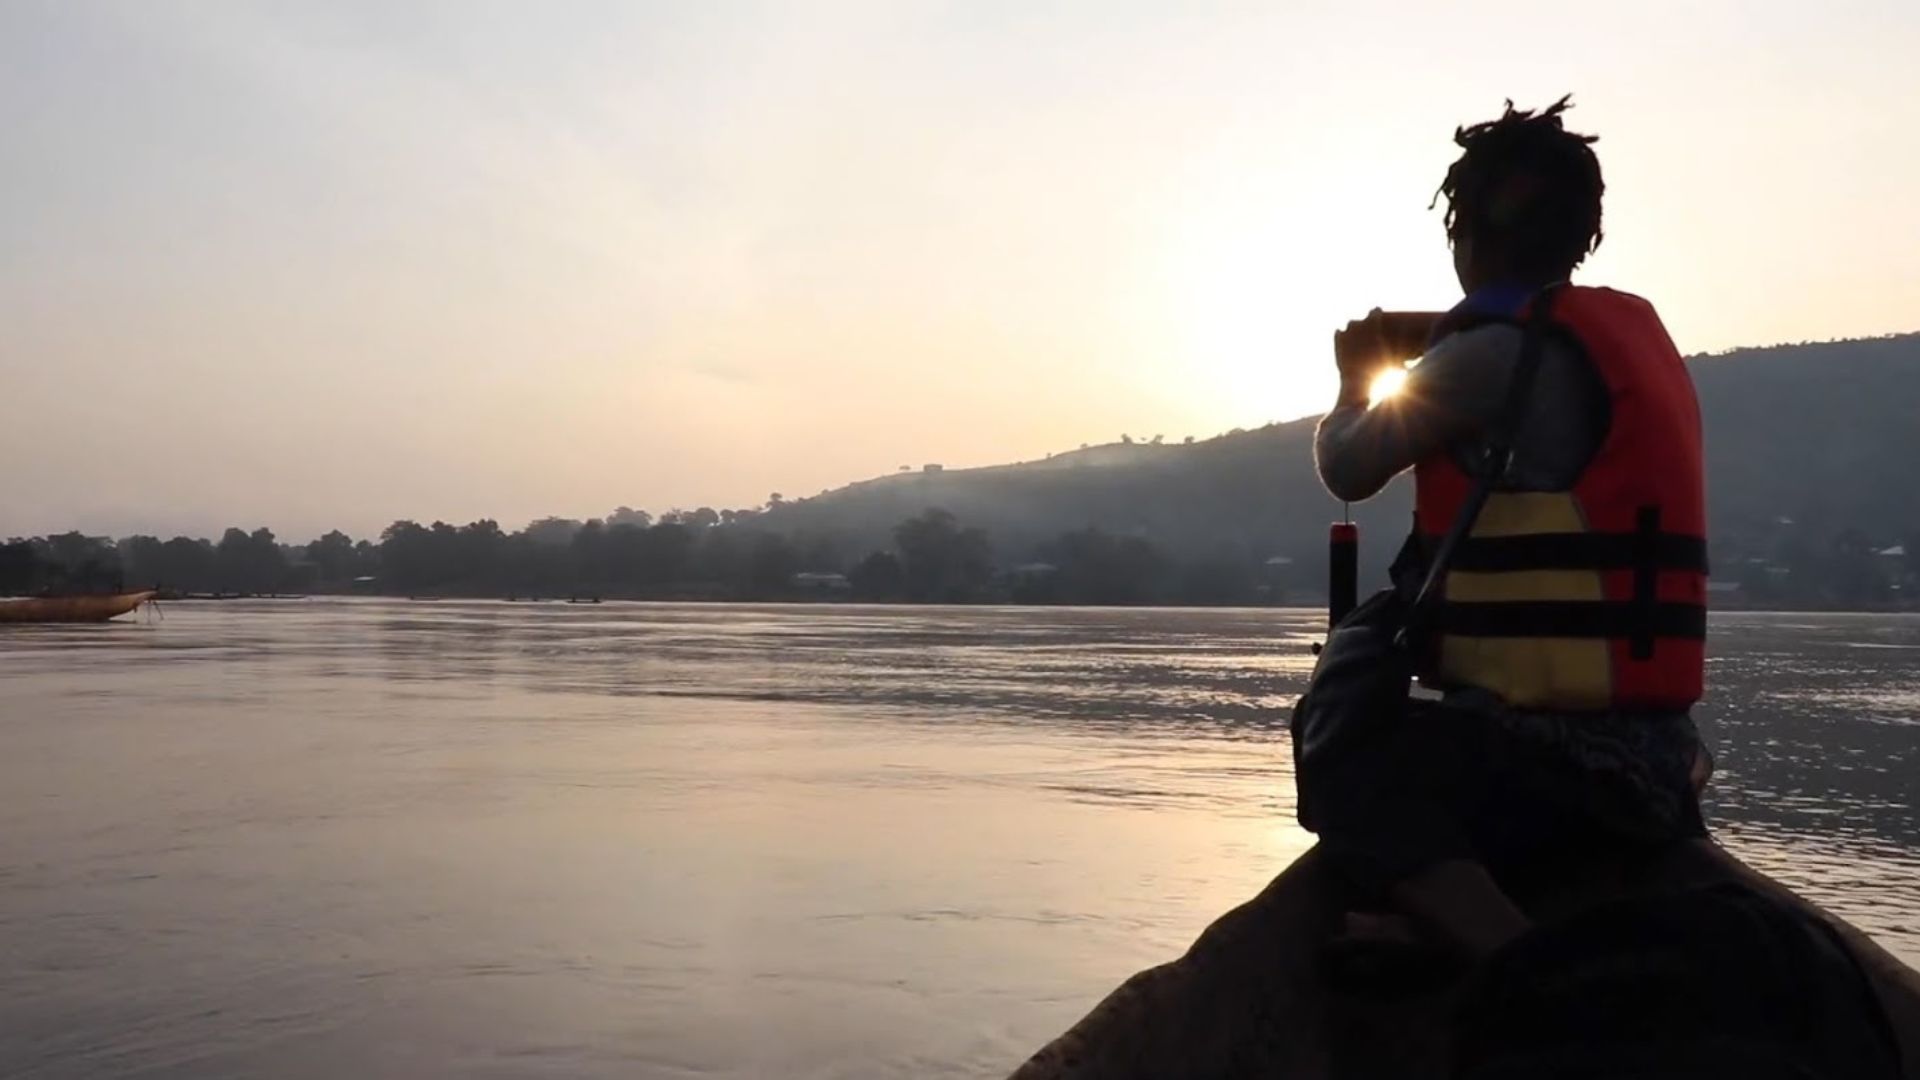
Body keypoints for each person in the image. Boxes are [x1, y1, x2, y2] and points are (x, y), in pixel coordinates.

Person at [1304, 97, 1713, 958]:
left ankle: (1512, 960)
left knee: (1345, 765)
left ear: (1468, 234)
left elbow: (1348, 465)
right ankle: (1437, 924)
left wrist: (1354, 379)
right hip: (1661, 761)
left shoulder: (1490, 357)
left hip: (1550, 763)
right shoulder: (1630, 342)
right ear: (1582, 235)